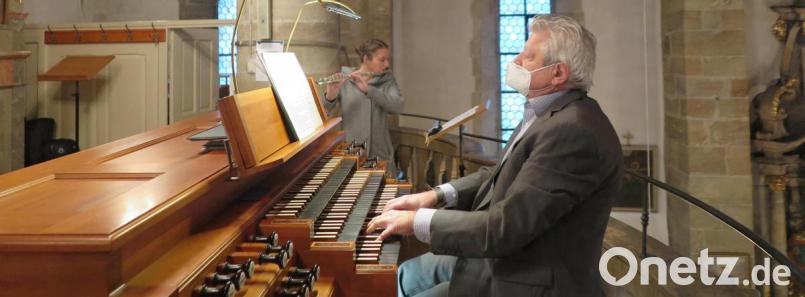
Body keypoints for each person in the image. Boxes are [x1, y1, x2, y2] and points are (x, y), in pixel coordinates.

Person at [366, 15, 623, 297]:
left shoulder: (574, 131)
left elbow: (507, 227)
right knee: (405, 275)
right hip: (509, 256)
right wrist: (435, 196)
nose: (515, 61)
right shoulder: (548, 112)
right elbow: (498, 173)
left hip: (529, 277)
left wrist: (416, 222)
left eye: (528, 56)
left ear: (558, 74)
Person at [323, 38, 403, 175]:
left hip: (380, 155)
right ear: (366, 59)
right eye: (382, 60)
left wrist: (369, 91)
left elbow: (397, 106)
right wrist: (330, 95)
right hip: (353, 154)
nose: (387, 64)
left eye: (387, 60)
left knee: (384, 195)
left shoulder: (388, 81)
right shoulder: (345, 80)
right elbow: (324, 113)